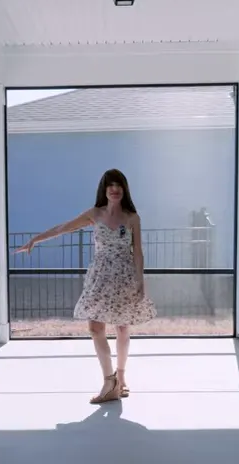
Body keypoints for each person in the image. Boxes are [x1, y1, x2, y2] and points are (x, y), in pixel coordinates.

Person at [16, 169, 157, 403]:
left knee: (122, 328)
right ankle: (109, 381)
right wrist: (35, 239)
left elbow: (138, 252)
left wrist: (141, 281)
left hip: (124, 277)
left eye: (118, 185)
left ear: (124, 189)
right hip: (100, 277)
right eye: (110, 185)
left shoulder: (132, 218)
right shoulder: (95, 214)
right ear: (104, 189)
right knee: (95, 328)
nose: (114, 189)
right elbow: (63, 227)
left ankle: (121, 378)